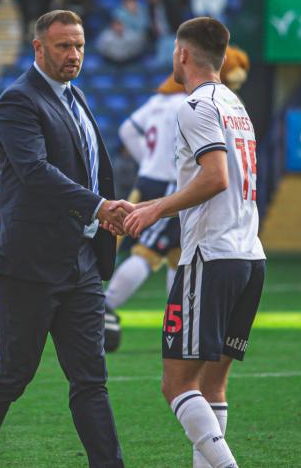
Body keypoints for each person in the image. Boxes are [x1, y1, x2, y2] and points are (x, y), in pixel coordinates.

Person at [0, 10, 130, 468]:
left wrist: (102, 217)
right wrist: (98, 206)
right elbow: (35, 173)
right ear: (39, 48)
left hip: (82, 262)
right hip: (29, 265)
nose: (74, 55)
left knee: (91, 380)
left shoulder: (76, 96)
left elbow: (90, 170)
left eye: (79, 46)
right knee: (11, 377)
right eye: (63, 47)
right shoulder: (18, 101)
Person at [123, 17, 266, 468]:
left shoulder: (195, 106)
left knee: (176, 384)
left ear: (182, 54)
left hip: (210, 256)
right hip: (249, 257)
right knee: (212, 387)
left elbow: (216, 177)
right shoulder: (235, 105)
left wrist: (154, 208)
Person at [106, 46, 251, 353]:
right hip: (174, 185)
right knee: (148, 251)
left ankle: (181, 320)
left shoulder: (158, 100)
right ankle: (104, 307)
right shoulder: (197, 102)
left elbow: (127, 130)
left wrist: (149, 161)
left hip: (147, 179)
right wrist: (167, 165)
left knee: (177, 253)